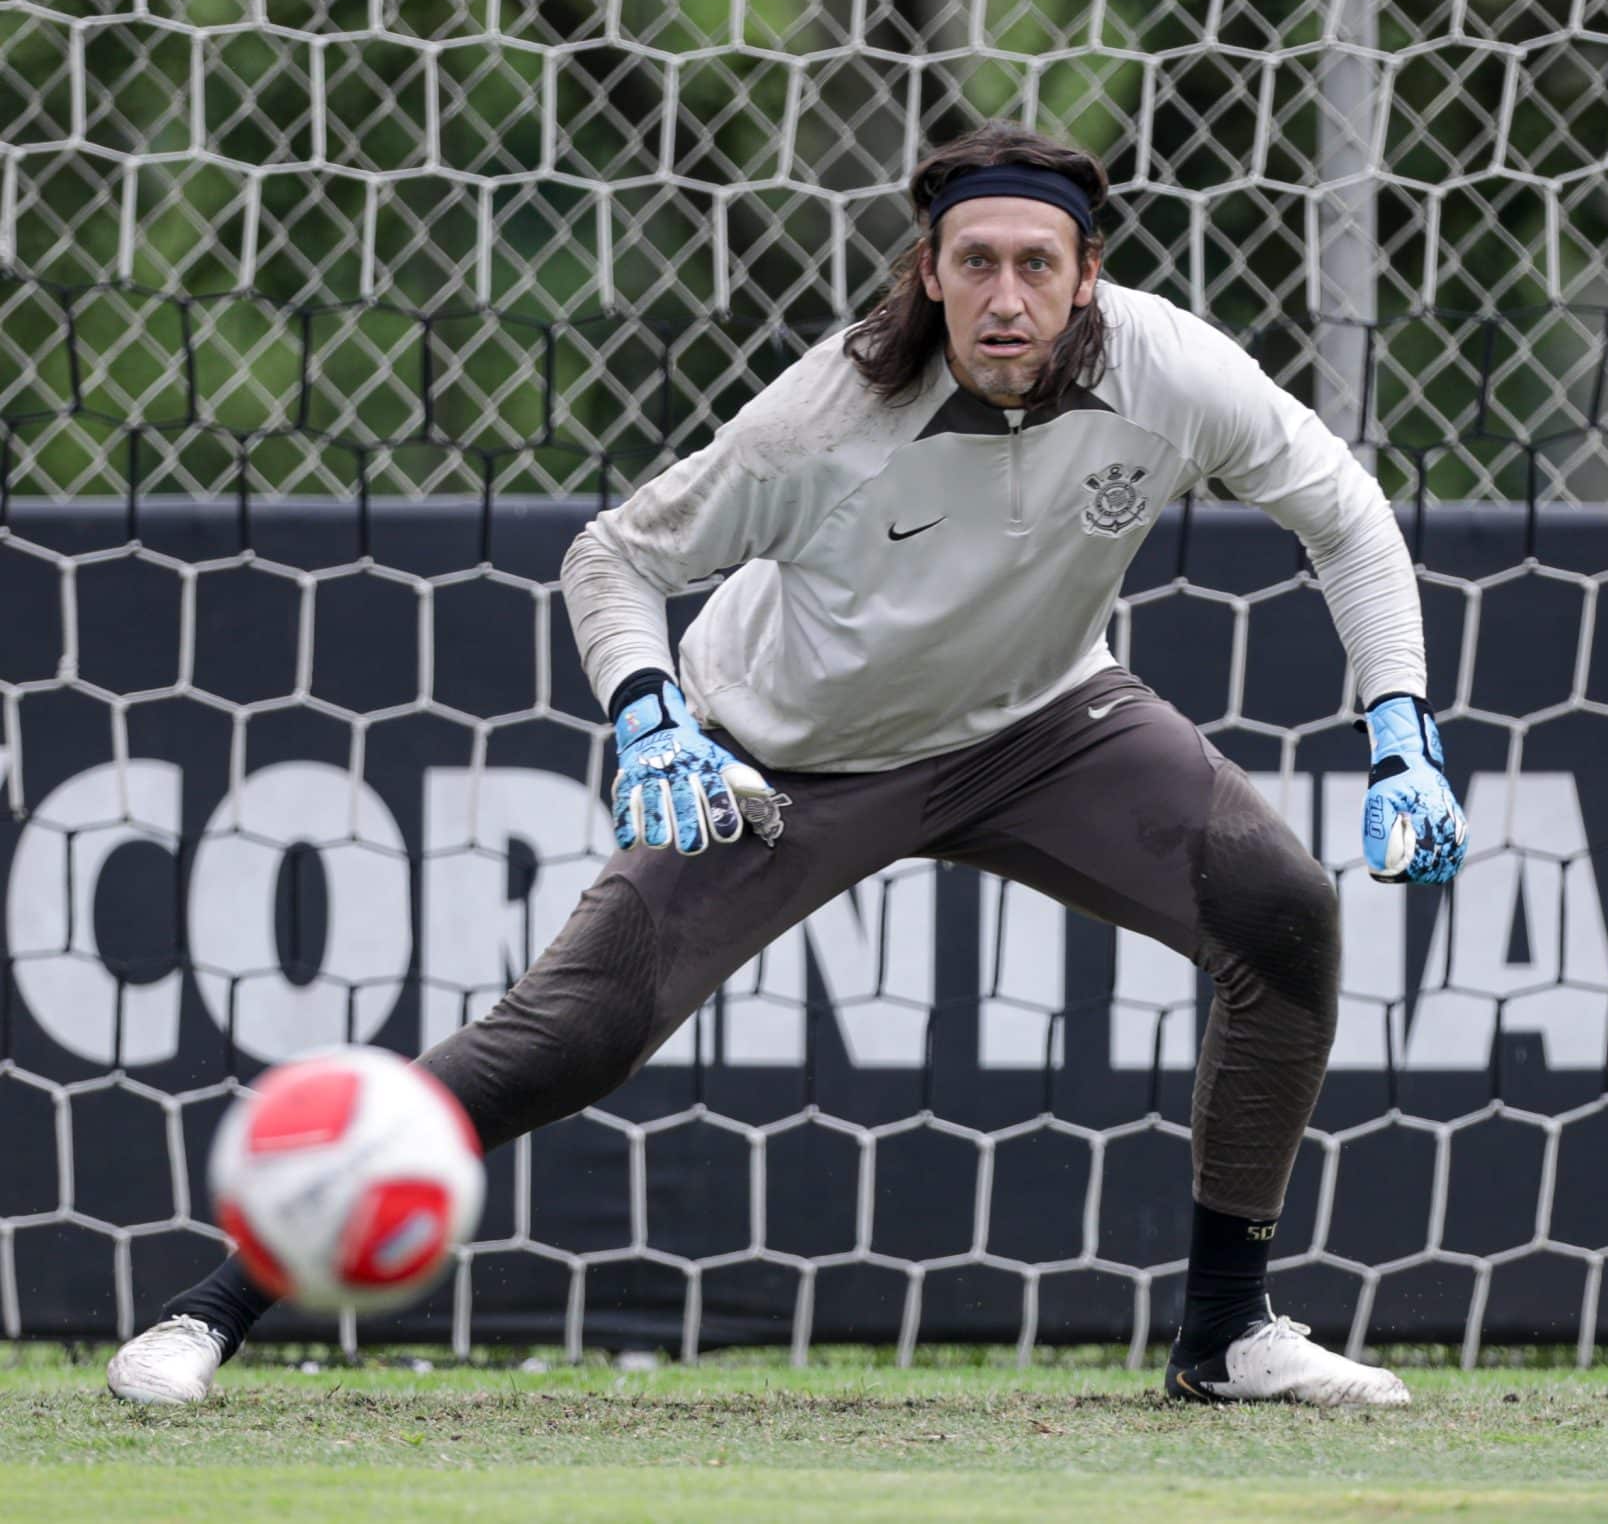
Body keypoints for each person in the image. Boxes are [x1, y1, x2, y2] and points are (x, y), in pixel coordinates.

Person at [106, 122, 1467, 1408]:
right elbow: (613, 557)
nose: (1005, 295)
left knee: (1283, 912)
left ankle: (1228, 1332)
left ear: (1086, 275)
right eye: (975, 263)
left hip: (1049, 728)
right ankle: (206, 1314)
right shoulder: (826, 420)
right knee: (570, 1037)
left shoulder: (1170, 371)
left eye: (1036, 264)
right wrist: (653, 713)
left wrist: (1399, 728)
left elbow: (1344, 514)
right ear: (928, 274)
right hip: (787, 762)